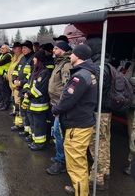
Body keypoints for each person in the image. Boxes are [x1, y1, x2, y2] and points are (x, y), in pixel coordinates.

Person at [52, 44, 98, 196]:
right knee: (79, 161)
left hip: (77, 126)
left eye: (73, 54)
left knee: (76, 165)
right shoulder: (87, 73)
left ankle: (80, 192)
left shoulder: (80, 76)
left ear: (78, 56)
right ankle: (79, 187)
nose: (70, 56)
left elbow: (67, 100)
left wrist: (56, 110)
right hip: (82, 123)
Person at [84, 37, 112, 190]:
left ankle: (96, 179)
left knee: (97, 145)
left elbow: (95, 91)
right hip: (106, 112)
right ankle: (105, 171)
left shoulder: (98, 67)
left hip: (99, 112)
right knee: (104, 143)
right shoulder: (106, 63)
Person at [46, 41, 72, 175]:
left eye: (56, 48)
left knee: (59, 133)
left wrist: (60, 107)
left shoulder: (66, 65)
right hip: (56, 104)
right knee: (57, 132)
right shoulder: (59, 63)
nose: (53, 50)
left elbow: (67, 89)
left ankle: (61, 162)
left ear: (63, 50)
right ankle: (59, 157)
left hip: (61, 106)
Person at [23, 50, 51, 151]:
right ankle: (36, 141)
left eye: (35, 58)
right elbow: (28, 83)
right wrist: (25, 91)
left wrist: (28, 94)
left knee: (39, 125)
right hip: (32, 103)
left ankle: (40, 144)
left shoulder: (44, 72)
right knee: (34, 124)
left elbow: (39, 89)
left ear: (38, 60)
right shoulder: (35, 71)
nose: (33, 59)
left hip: (39, 105)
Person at [12, 40, 35, 136]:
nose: (23, 50)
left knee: (27, 111)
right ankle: (25, 129)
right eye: (22, 48)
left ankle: (29, 131)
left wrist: (21, 82)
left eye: (25, 48)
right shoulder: (23, 59)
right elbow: (16, 70)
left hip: (27, 90)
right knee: (22, 110)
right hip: (20, 88)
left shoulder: (33, 59)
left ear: (30, 49)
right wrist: (14, 79)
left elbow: (31, 76)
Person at [124, 48, 135, 176]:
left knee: (134, 137)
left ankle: (132, 165)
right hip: (131, 104)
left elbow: (130, 78)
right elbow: (127, 77)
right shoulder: (133, 64)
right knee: (130, 134)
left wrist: (132, 79)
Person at [0, 44, 12, 111]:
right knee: (1, 90)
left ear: (7, 49)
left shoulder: (8, 55)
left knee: (5, 91)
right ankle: (3, 103)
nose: (1, 49)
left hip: (4, 76)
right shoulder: (2, 55)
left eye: (3, 48)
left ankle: (6, 105)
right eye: (1, 48)